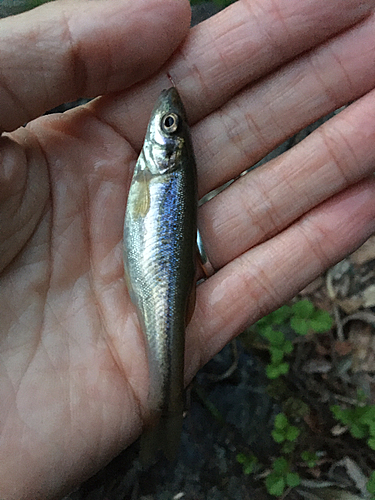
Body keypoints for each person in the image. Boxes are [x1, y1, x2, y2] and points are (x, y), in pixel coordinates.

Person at [1, 0, 375, 497]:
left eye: (168, 127)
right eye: (169, 126)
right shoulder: (162, 169)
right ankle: (164, 407)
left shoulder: (160, 168)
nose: (164, 124)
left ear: (168, 147)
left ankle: (163, 409)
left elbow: (145, 207)